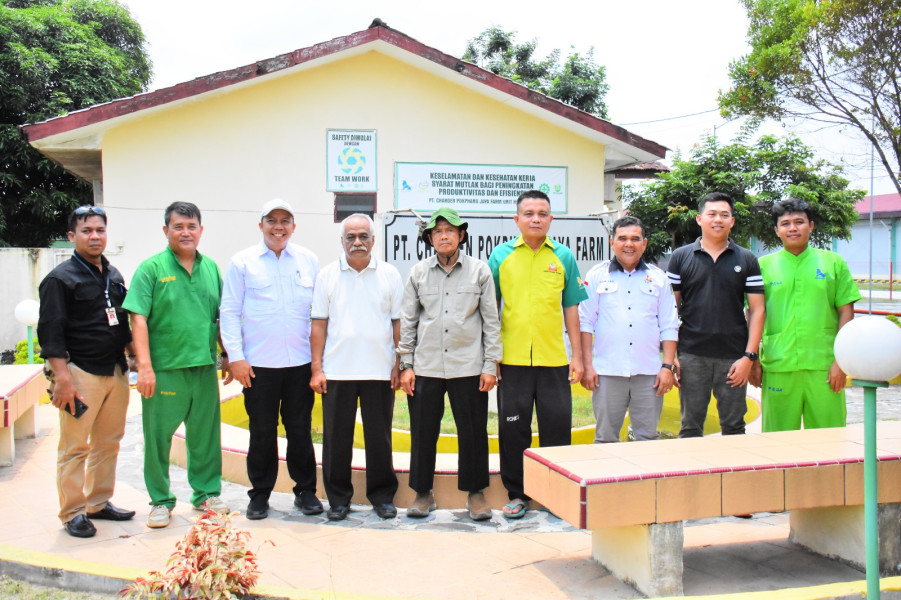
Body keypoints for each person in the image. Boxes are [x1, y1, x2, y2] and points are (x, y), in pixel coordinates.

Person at [123, 201, 230, 528]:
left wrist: (225, 353)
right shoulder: (151, 269)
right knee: (157, 439)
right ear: (166, 230)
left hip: (203, 368)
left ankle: (206, 493)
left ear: (201, 230)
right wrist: (144, 367)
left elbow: (221, 316)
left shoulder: (211, 268)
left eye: (191, 226)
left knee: (205, 436)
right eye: (178, 226)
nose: (186, 232)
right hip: (164, 370)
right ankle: (160, 500)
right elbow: (137, 318)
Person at [220, 199, 323, 520]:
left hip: (300, 364)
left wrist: (320, 362)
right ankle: (260, 494)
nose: (279, 227)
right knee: (262, 430)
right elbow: (229, 311)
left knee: (300, 429)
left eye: (285, 220)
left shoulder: (308, 261)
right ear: (261, 225)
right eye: (272, 220)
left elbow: (319, 314)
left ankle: (305, 491)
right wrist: (235, 357)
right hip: (258, 366)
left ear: (294, 226)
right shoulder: (242, 262)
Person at [487, 190, 588, 519]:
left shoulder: (563, 257)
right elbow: (490, 310)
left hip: (554, 361)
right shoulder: (501, 257)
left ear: (551, 219)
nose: (535, 218)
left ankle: (556, 495)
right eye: (528, 213)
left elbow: (571, 308)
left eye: (542, 213)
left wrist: (578, 357)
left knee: (556, 429)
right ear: (516, 219)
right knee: (513, 429)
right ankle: (517, 494)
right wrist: (492, 357)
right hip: (512, 362)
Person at [37, 205, 136, 538]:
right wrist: (62, 380)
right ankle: (73, 512)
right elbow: (50, 332)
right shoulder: (59, 279)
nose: (95, 236)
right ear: (72, 236)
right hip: (80, 373)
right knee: (75, 446)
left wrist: (134, 356)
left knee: (109, 442)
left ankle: (98, 502)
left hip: (115, 371)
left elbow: (121, 321)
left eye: (100, 230)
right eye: (86, 231)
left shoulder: (114, 275)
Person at [398, 208, 502, 521]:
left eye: (450, 230)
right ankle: (422, 493)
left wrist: (489, 364)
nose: (444, 236)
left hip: (468, 367)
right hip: (426, 365)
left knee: (472, 432)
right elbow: (408, 321)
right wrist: (406, 364)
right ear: (430, 238)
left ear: (461, 236)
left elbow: (491, 321)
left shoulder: (479, 271)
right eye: (438, 231)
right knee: (423, 431)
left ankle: (475, 494)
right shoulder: (418, 272)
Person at [310, 213, 403, 521]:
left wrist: (399, 364)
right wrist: (317, 369)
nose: (357, 242)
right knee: (336, 440)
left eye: (364, 236)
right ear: (342, 241)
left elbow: (398, 324)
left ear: (374, 240)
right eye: (351, 237)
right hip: (337, 371)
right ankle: (338, 500)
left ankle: (382, 497)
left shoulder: (389, 274)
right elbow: (319, 325)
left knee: (380, 438)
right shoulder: (327, 275)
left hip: (379, 371)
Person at [750, 198, 860, 431]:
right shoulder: (762, 266)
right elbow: (752, 313)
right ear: (776, 230)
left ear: (811, 226)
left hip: (825, 367)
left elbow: (846, 312)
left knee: (830, 439)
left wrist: (840, 361)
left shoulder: (833, 263)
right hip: (779, 364)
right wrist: (754, 361)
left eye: (799, 222)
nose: (793, 228)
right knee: (777, 441)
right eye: (786, 223)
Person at [666, 191, 765, 438]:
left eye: (724, 215)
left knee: (734, 428)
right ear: (699, 219)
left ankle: (733, 477)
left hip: (733, 357)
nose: (717, 219)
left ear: (732, 221)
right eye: (711, 214)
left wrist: (749, 357)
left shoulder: (747, 258)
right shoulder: (681, 257)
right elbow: (669, 309)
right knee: (690, 427)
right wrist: (672, 356)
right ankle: (692, 477)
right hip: (691, 355)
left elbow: (758, 309)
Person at [579, 216, 680, 443]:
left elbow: (669, 325)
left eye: (635, 239)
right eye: (623, 238)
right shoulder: (596, 276)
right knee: (605, 438)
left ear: (644, 244)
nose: (629, 244)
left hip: (649, 373)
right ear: (612, 242)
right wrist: (587, 365)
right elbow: (585, 323)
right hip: (607, 372)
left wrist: (667, 367)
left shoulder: (659, 279)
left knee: (647, 439)